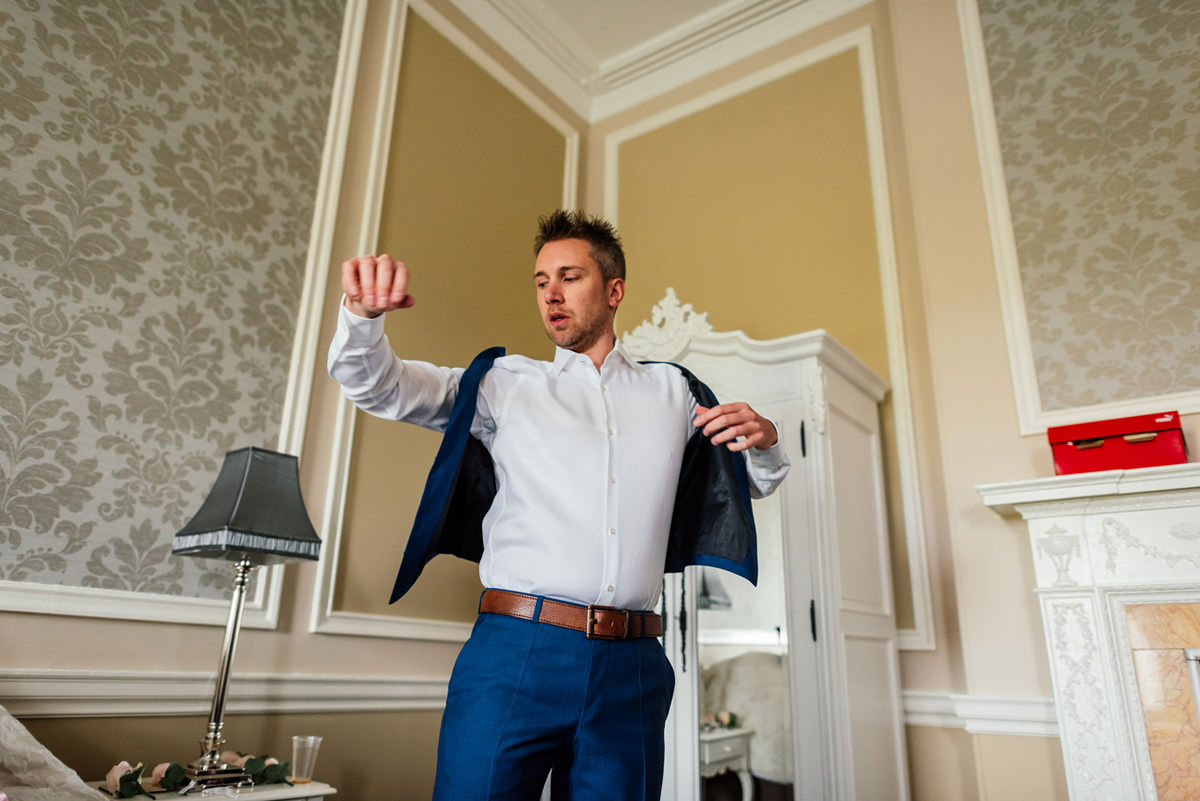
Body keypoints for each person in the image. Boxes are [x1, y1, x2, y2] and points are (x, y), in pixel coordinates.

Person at [327, 210, 789, 801]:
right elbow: (380, 387)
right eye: (541, 282)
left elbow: (746, 482)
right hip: (516, 655)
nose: (551, 295)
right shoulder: (504, 383)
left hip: (635, 667)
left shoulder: (675, 391)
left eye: (569, 277)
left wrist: (768, 439)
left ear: (614, 290)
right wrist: (363, 317)